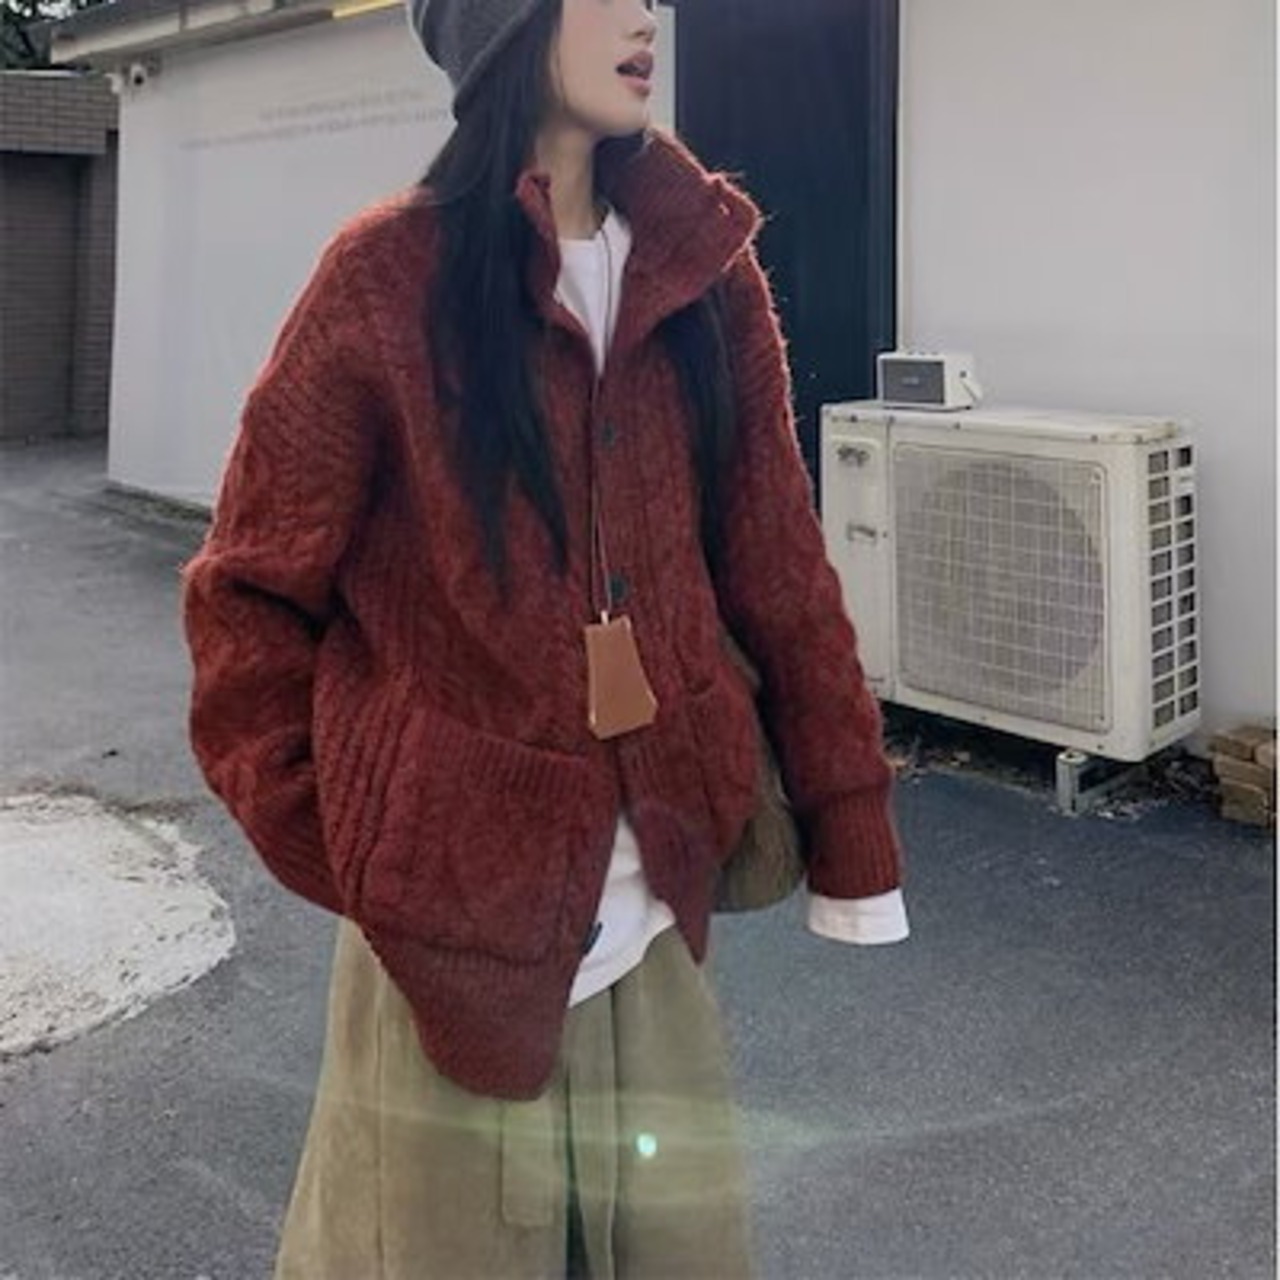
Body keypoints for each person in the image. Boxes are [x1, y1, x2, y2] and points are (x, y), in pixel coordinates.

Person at [181, 0, 910, 1275]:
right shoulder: (385, 279)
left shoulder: (701, 269)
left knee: (675, 1248)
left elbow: (776, 562)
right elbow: (246, 593)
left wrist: (850, 824)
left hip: (655, 916)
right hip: (439, 943)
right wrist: (360, 838)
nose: (645, 15)